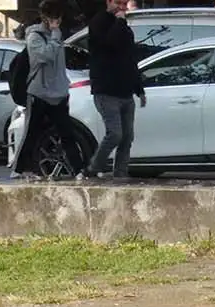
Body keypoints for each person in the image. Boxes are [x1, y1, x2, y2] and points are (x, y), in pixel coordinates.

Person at [13, 0, 85, 176]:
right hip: (39, 93)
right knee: (32, 132)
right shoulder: (34, 36)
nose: (57, 21)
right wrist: (54, 35)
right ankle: (21, 168)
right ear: (44, 17)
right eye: (53, 17)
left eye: (58, 17)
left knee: (66, 132)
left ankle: (78, 169)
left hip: (59, 92)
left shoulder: (57, 33)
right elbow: (46, 56)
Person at [84, 0, 145, 179]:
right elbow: (109, 43)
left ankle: (120, 173)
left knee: (127, 137)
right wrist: (119, 21)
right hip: (106, 90)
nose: (122, 7)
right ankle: (94, 166)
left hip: (125, 91)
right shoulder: (99, 23)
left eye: (124, 3)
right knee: (115, 133)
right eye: (118, 3)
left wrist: (138, 88)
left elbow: (129, 58)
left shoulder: (124, 27)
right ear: (108, 2)